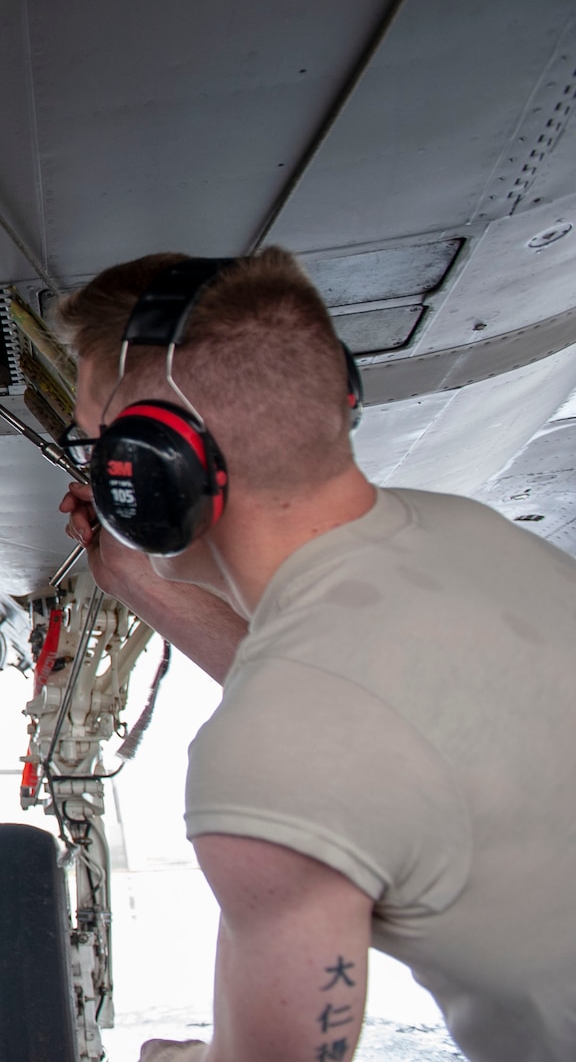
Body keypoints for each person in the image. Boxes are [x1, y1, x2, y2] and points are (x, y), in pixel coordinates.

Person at [53, 249, 576, 1062]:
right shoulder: (469, 537)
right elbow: (353, 711)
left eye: (99, 445)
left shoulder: (273, 758)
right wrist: (138, 580)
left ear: (164, 467)